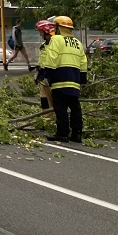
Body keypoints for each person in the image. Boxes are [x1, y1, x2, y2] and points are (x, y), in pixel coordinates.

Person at [41, 15, 88, 143]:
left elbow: (52, 58)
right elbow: (83, 62)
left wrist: (47, 75)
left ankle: (62, 133)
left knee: (60, 108)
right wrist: (83, 80)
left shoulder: (56, 39)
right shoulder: (77, 43)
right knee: (75, 107)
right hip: (74, 79)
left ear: (58, 27)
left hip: (60, 78)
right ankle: (77, 134)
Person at [32, 18, 56, 111]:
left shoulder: (55, 43)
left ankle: (56, 119)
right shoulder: (43, 45)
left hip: (53, 78)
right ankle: (46, 120)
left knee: (55, 101)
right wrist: (38, 73)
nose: (40, 34)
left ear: (46, 31)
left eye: (41, 32)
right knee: (44, 100)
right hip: (43, 79)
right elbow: (41, 61)